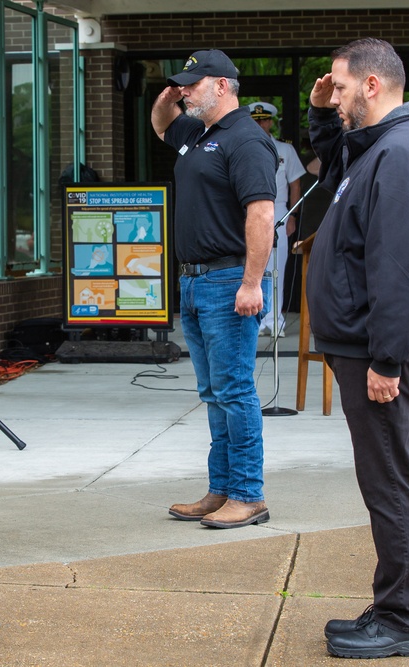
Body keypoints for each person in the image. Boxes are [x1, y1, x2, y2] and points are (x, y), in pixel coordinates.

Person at [306, 38, 409, 659]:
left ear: (371, 86)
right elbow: (335, 158)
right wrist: (319, 112)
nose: (333, 98)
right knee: (386, 478)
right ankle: (394, 606)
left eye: (339, 88)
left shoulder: (398, 156)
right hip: (366, 345)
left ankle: (401, 619)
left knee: (390, 481)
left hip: (379, 352)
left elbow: (403, 270)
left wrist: (387, 361)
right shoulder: (380, 147)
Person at [151, 49, 277, 529]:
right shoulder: (198, 133)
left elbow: (260, 213)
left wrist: (251, 282)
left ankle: (248, 494)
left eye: (194, 84)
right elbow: (162, 125)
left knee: (235, 390)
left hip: (228, 281)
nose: (186, 91)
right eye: (183, 85)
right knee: (213, 392)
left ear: (222, 85)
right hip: (194, 280)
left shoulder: (245, 139)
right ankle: (221, 489)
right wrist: (171, 93)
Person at [249, 101, 306, 337]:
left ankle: (275, 319)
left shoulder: (285, 150)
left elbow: (295, 184)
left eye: (263, 120)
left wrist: (292, 214)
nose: (260, 125)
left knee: (277, 268)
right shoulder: (243, 148)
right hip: (250, 212)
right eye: (256, 121)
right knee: (253, 268)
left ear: (270, 122)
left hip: (279, 210)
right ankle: (256, 319)